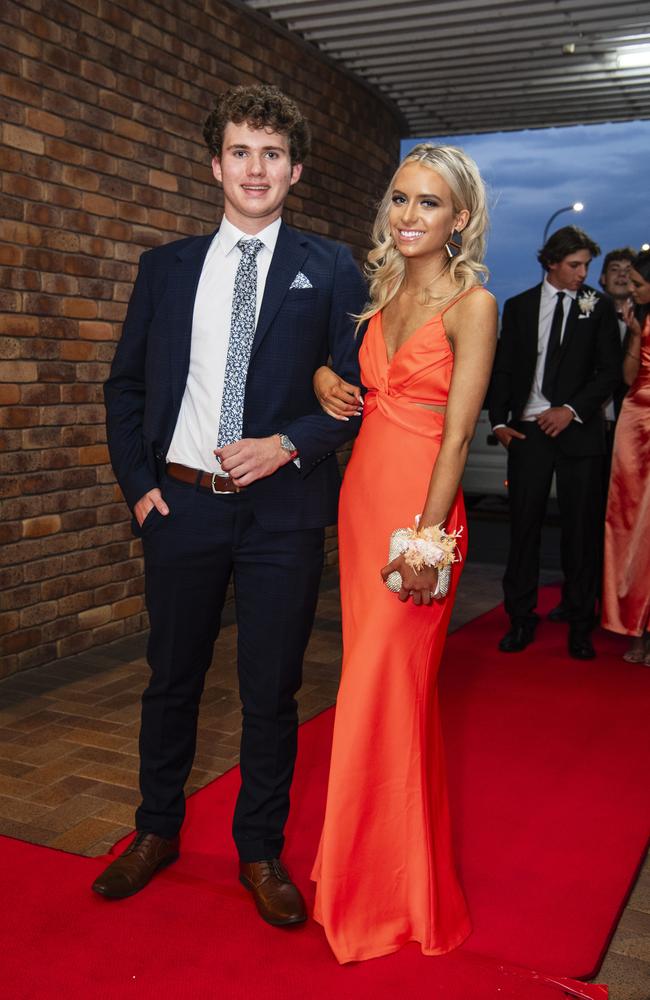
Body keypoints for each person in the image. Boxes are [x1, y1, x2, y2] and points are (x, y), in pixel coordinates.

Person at [94, 84, 367, 926]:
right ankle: (155, 830)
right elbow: (127, 386)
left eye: (273, 154)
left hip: (284, 513)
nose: (256, 168)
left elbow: (355, 391)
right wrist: (140, 488)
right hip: (182, 509)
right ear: (216, 164)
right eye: (241, 151)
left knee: (271, 689)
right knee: (172, 679)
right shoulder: (165, 267)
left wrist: (286, 443)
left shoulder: (330, 268)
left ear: (295, 170)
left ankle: (259, 851)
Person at [310, 144, 497, 963]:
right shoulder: (378, 296)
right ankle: (363, 873)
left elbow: (458, 434)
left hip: (419, 517)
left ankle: (386, 893)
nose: (409, 217)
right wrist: (325, 376)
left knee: (388, 686)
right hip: (362, 500)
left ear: (459, 218)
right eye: (400, 200)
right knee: (368, 684)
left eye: (428, 204)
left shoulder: (473, 303)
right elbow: (353, 387)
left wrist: (426, 540)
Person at [489, 226, 622, 660]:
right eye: (575, 265)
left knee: (580, 532)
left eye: (586, 265)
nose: (583, 273)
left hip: (579, 432)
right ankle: (520, 619)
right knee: (523, 529)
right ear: (551, 262)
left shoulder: (596, 307)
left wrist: (570, 409)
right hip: (527, 432)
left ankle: (581, 624)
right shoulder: (521, 306)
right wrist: (499, 422)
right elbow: (504, 366)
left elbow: (609, 372)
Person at [549, 246, 636, 624]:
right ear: (602, 278)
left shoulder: (640, 319)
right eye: (613, 269)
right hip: (592, 431)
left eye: (628, 271)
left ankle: (623, 602)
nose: (620, 275)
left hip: (632, 434)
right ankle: (582, 598)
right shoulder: (590, 310)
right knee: (585, 521)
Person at [602, 250, 650, 663]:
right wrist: (635, 333)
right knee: (631, 524)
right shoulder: (642, 318)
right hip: (635, 423)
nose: (631, 289)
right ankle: (636, 629)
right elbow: (629, 378)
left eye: (637, 283)